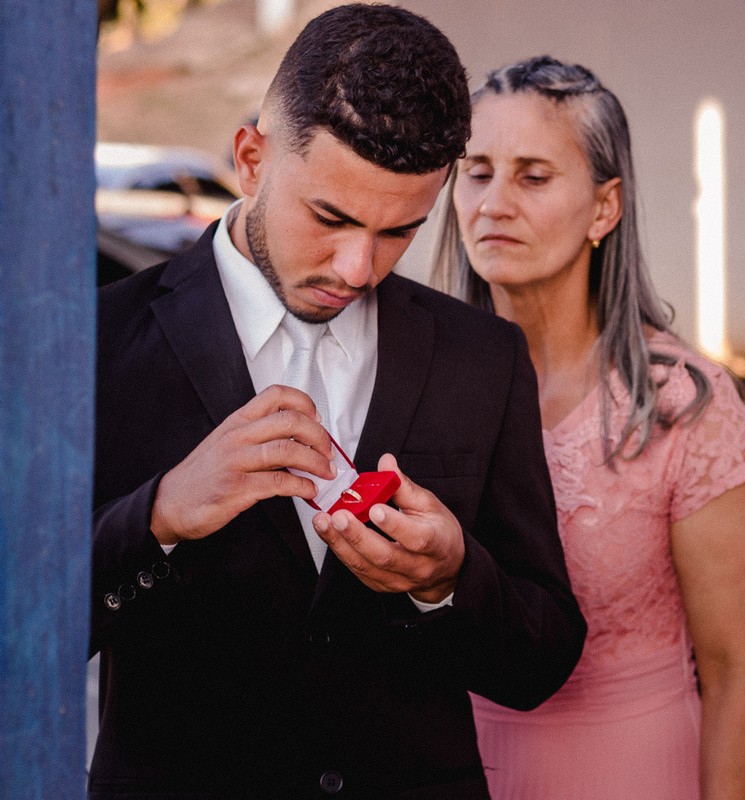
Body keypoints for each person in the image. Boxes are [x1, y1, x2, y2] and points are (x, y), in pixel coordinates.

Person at [90, 9, 586, 799]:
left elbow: (542, 658)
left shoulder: (481, 356)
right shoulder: (99, 342)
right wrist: (160, 515)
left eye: (400, 232)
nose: (358, 267)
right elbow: (27, 631)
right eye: (330, 217)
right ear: (251, 158)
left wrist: (450, 576)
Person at [432, 56, 745, 800]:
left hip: (628, 771)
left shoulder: (683, 405)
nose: (494, 203)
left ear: (604, 207)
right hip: (446, 769)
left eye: (533, 176)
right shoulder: (421, 384)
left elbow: (739, 674)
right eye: (477, 171)